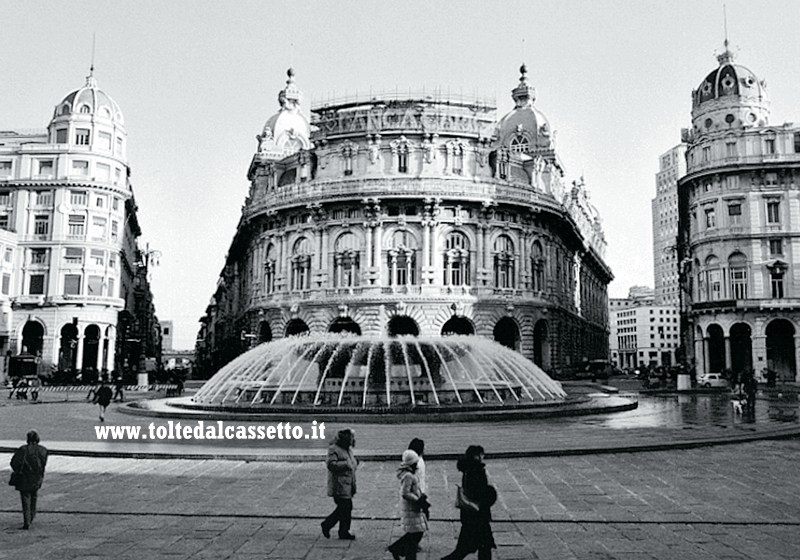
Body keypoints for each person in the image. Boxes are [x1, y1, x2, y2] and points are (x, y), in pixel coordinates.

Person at [441, 445, 497, 560]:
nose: (483, 457)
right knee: (480, 546)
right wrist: (490, 493)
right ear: (476, 456)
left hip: (470, 515)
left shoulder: (468, 469)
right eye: (482, 454)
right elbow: (479, 492)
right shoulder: (476, 471)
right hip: (477, 515)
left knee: (474, 547)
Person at [387, 450, 430, 560]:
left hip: (414, 507)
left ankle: (399, 550)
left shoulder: (409, 475)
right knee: (415, 533)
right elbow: (405, 493)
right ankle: (397, 548)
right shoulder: (408, 476)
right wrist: (418, 500)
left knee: (415, 534)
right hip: (412, 508)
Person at [321, 428, 358, 540]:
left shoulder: (347, 449)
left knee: (344, 508)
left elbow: (351, 462)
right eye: (352, 437)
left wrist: (355, 463)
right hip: (339, 485)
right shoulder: (334, 449)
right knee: (345, 507)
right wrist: (346, 464)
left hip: (347, 483)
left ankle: (340, 530)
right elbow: (331, 464)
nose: (353, 440)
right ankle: (333, 527)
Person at [10, 430, 48, 530]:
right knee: (34, 496)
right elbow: (43, 464)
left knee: (25, 498)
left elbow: (14, 462)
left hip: (24, 477)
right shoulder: (43, 450)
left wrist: (18, 471)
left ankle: (27, 521)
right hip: (36, 477)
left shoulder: (23, 450)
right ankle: (31, 516)